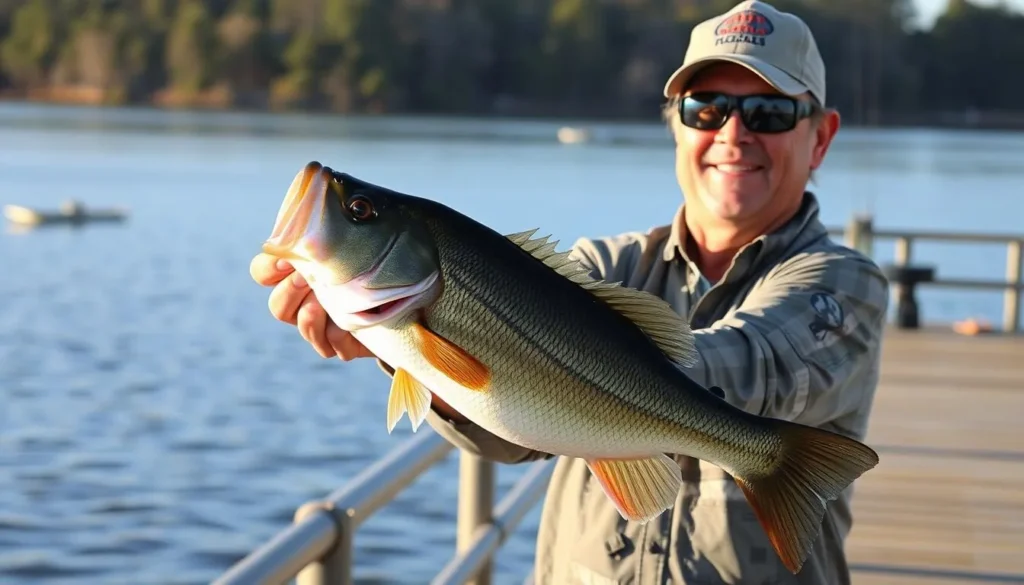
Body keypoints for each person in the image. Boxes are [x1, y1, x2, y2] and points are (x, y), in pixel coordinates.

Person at [249, 1, 890, 582]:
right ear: (676, 125)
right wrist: (398, 349)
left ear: (822, 137)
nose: (732, 134)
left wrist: (625, 384)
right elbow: (513, 435)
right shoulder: (595, 268)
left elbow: (755, 363)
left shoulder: (848, 286)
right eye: (706, 109)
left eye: (769, 112)